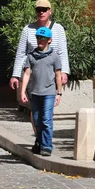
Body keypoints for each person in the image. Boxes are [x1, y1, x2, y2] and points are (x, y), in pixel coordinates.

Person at [19, 27, 62, 156]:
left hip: (49, 93)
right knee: (37, 120)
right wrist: (22, 91)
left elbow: (58, 75)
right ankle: (39, 141)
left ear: (49, 40)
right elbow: (26, 74)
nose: (40, 40)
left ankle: (47, 146)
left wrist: (59, 93)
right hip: (34, 93)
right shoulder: (31, 56)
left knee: (46, 120)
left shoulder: (54, 57)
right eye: (38, 37)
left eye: (42, 38)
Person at [9, 0, 69, 91]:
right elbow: (21, 54)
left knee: (48, 104)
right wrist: (15, 75)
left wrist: (64, 72)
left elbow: (62, 52)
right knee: (34, 104)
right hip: (32, 77)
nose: (41, 12)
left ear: (50, 11)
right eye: (38, 10)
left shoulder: (58, 29)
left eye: (44, 10)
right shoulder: (28, 29)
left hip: (51, 76)